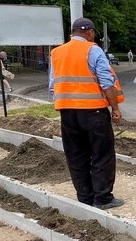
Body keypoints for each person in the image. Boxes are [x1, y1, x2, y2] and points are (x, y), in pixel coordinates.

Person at [50, 17, 125, 210]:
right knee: (102, 154)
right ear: (90, 32)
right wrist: (115, 109)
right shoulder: (93, 50)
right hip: (94, 112)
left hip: (67, 113)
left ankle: (84, 197)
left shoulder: (56, 53)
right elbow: (106, 82)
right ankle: (102, 198)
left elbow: (52, 86)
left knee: (76, 154)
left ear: (72, 33)